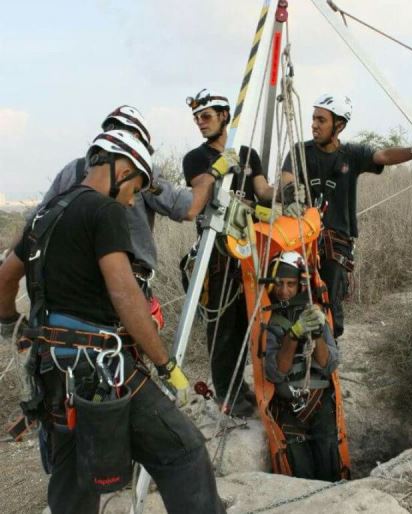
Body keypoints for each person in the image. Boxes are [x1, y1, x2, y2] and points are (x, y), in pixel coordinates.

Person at [0, 130, 225, 514]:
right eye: (135, 186)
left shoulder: (45, 213)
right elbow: (125, 296)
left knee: (72, 484)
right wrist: (166, 365)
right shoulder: (105, 212)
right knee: (182, 451)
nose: (134, 198)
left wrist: (11, 326)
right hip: (101, 372)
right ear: (120, 168)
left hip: (53, 375)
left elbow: (6, 277)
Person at [5, 105, 214, 308]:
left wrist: (9, 262)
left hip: (64, 286)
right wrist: (209, 177)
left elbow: (34, 223)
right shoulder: (140, 172)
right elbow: (189, 209)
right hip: (123, 284)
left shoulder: (73, 171)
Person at [282, 93, 412, 338]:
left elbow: (383, 156)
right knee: (294, 298)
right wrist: (291, 193)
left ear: (339, 125)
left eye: (321, 120)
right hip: (302, 240)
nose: (314, 124)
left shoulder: (351, 154)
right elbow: (287, 177)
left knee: (329, 303)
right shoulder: (301, 151)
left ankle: (327, 361)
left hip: (336, 243)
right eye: (313, 119)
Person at [182, 89, 274, 416]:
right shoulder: (196, 158)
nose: (200, 123)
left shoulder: (248, 154)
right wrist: (219, 169)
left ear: (224, 116)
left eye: (206, 116)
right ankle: (227, 393)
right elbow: (199, 195)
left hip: (250, 249)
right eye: (196, 118)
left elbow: (263, 191)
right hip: (217, 253)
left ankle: (242, 384)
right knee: (223, 326)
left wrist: (286, 194)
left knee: (251, 321)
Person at [264, 250, 341, 481]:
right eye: (279, 284)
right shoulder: (269, 323)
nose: (284, 291)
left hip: (319, 403)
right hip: (289, 408)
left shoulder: (318, 314)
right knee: (301, 475)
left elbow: (329, 365)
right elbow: (276, 372)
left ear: (300, 285)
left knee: (330, 469)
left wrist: (316, 333)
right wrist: (293, 334)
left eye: (290, 284)